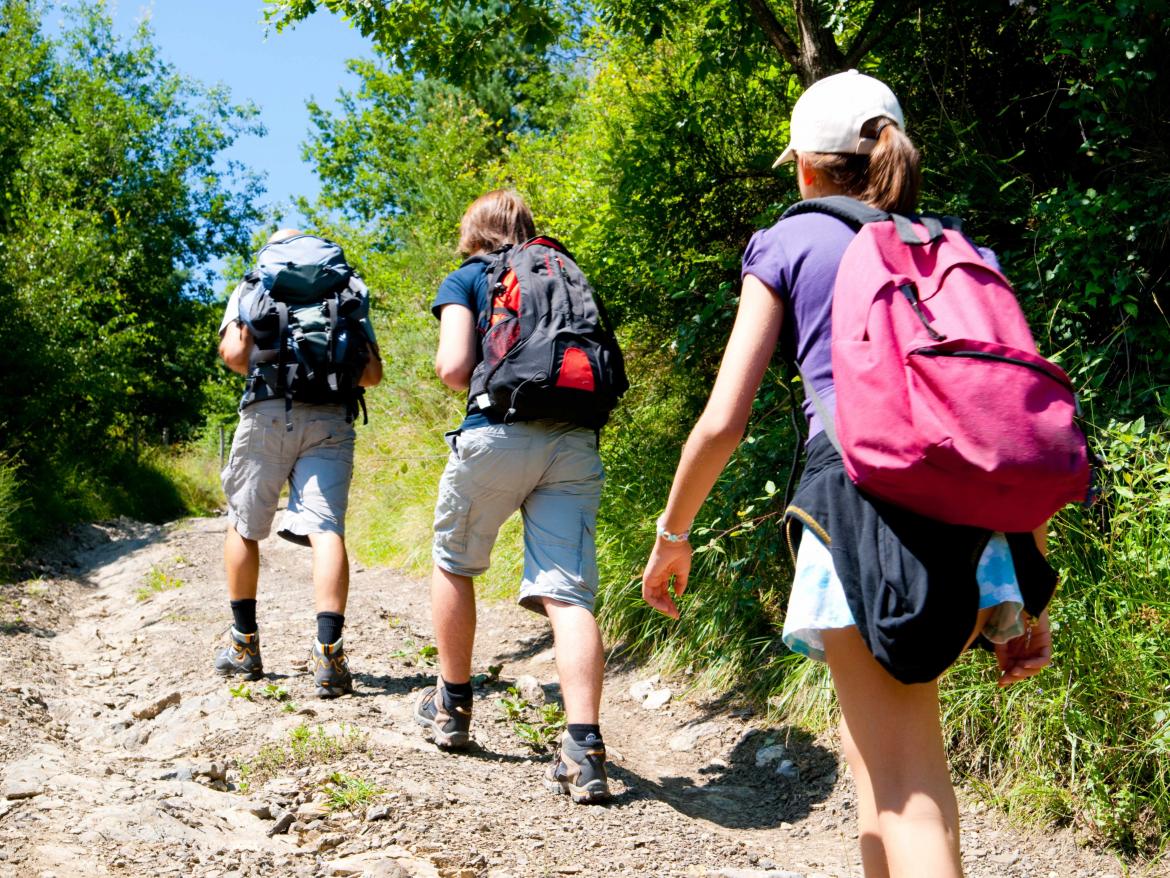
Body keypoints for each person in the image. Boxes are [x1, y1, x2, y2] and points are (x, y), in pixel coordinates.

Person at [641, 71, 1056, 877]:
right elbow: (1011, 423)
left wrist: (673, 534)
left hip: (861, 511)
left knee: (905, 787)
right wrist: (1029, 584)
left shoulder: (792, 240)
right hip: (976, 524)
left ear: (805, 167)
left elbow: (724, 418)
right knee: (880, 775)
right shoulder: (958, 248)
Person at [414, 189, 610, 804]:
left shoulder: (469, 277)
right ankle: (584, 749)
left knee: (455, 560)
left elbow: (452, 367)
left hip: (496, 432)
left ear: (471, 232)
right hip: (575, 440)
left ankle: (452, 705)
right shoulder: (563, 269)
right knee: (568, 591)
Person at [214, 229, 382, 698]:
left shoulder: (256, 284)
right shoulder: (343, 289)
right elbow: (372, 374)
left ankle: (245, 647)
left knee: (244, 525)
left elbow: (232, 353)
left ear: (271, 255)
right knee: (326, 528)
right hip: (331, 419)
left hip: (267, 412)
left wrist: (274, 363)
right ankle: (329, 656)